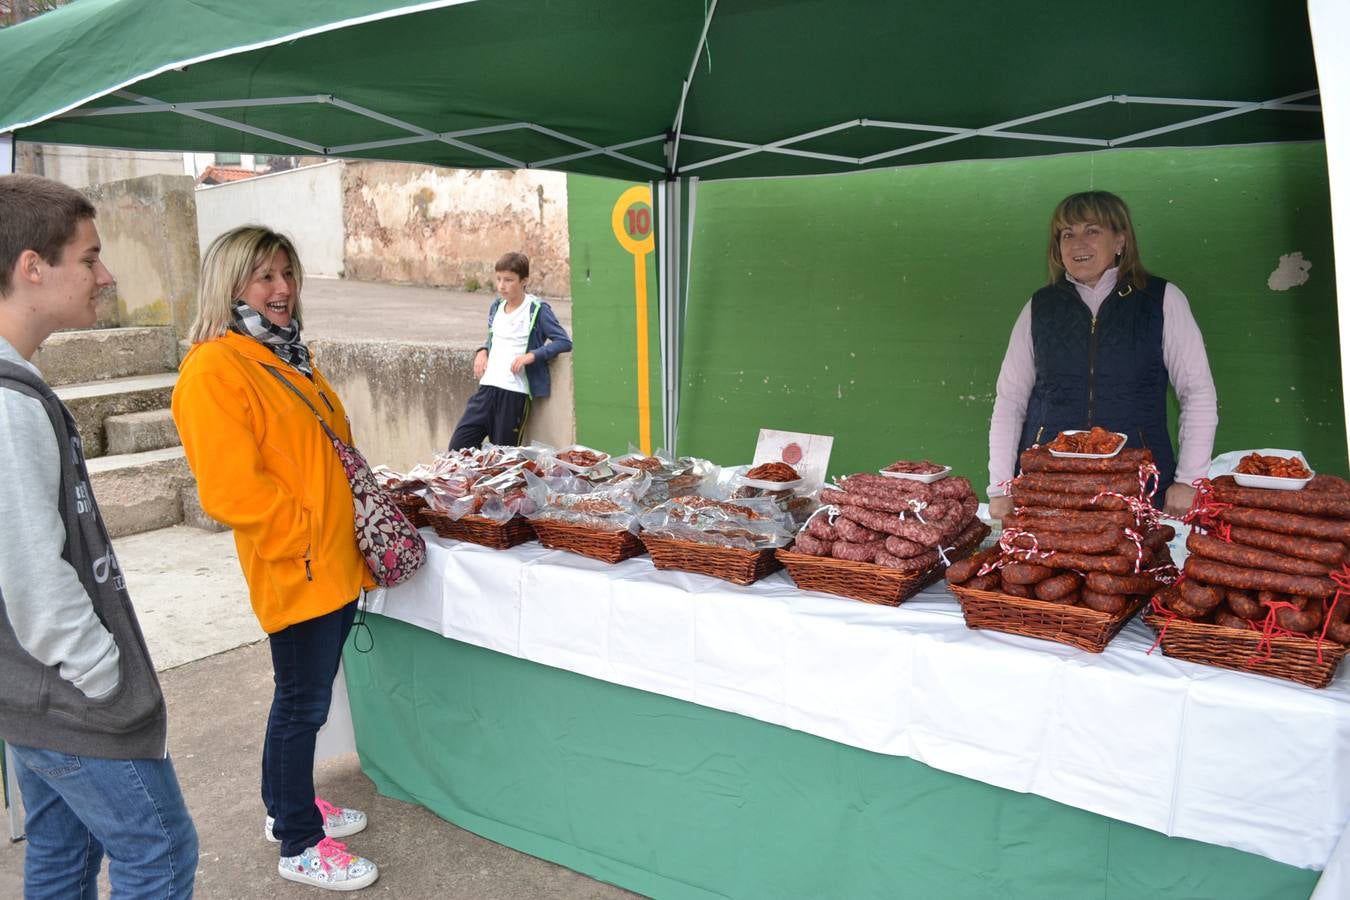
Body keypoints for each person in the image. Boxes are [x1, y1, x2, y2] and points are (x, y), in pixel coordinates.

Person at [0, 174, 198, 898]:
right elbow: (32, 577)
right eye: (89, 258)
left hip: (33, 693)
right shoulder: (8, 407)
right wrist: (103, 683)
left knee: (61, 853)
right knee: (160, 852)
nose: (105, 276)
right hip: (68, 698)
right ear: (31, 267)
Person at [171, 225, 379, 891]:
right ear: (229, 285)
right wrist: (304, 536)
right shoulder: (214, 368)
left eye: (286, 273)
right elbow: (231, 489)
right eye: (263, 276)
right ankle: (297, 838)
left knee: (305, 701)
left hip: (328, 559)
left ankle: (286, 805)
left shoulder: (285, 353)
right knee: (300, 703)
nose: (282, 289)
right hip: (299, 565)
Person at [987, 190, 1218, 519]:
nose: (1077, 244)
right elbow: (1010, 400)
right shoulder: (1040, 307)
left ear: (1120, 240)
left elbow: (1197, 393)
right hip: (1050, 485)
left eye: (1092, 231)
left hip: (1137, 483)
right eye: (1067, 234)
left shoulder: (1161, 300)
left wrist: (1189, 480)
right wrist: (1001, 486)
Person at [448, 251, 572, 449]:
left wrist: (533, 355)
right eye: (498, 279)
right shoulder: (496, 306)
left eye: (508, 280)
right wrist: (482, 350)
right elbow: (494, 338)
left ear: (524, 280)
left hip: (514, 394)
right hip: (486, 389)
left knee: (503, 459)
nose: (501, 286)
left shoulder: (537, 309)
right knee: (458, 448)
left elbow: (564, 341)